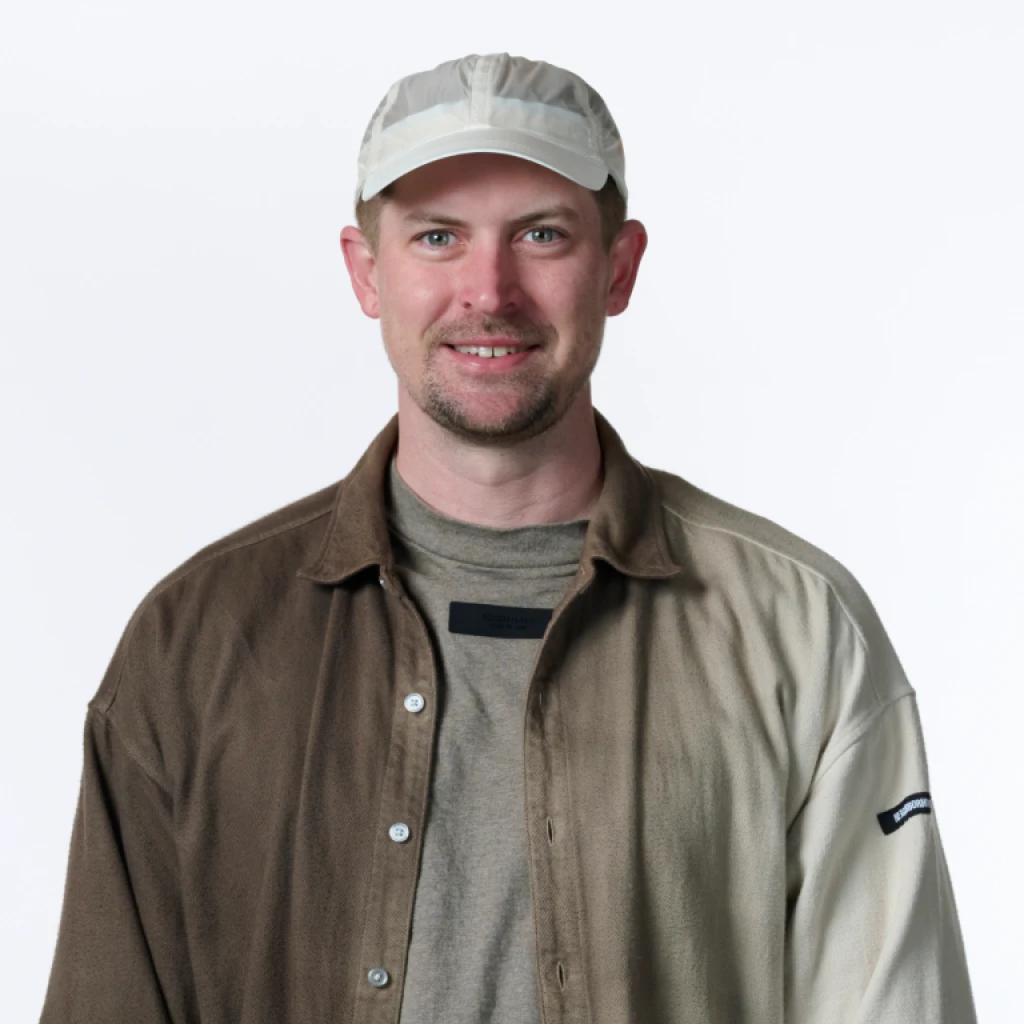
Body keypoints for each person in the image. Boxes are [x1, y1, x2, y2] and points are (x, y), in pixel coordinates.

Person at [40, 52, 975, 1023]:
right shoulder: (195, 643)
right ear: (367, 271)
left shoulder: (799, 630)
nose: (488, 291)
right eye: (437, 236)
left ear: (618, 267)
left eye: (541, 234)